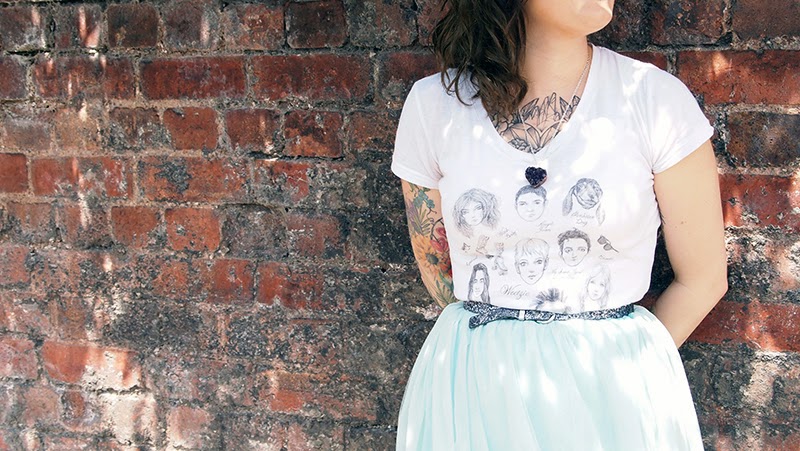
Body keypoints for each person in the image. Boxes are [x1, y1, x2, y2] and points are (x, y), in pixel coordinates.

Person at [390, 0, 728, 449]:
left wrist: (622, 368)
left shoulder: (655, 100)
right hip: (477, 391)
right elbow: (440, 272)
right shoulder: (434, 106)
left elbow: (703, 279)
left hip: (614, 395)